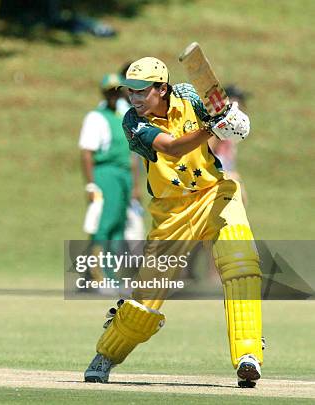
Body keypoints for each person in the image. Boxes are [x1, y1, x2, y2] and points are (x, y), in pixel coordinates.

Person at [83, 57, 263, 388]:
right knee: (144, 304)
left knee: (242, 263)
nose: (133, 98)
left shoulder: (188, 96)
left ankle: (248, 355)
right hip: (172, 211)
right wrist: (212, 128)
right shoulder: (132, 123)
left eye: (141, 91)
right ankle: (107, 353)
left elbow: (220, 114)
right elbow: (174, 147)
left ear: (161, 88)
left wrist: (234, 121)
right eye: (130, 91)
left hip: (214, 192)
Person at [79, 74, 133, 288]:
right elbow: (86, 153)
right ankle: (97, 276)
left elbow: (131, 155)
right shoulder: (96, 117)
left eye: (117, 91)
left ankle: (113, 276)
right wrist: (91, 183)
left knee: (119, 226)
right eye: (110, 91)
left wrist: (135, 184)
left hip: (123, 176)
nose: (114, 95)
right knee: (103, 224)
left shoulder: (123, 116)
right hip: (105, 173)